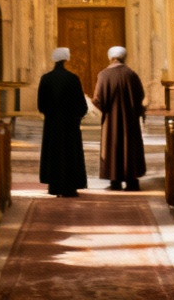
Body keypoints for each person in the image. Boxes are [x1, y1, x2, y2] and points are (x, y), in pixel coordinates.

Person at [92, 45, 147, 191]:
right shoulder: (131, 74)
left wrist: (106, 110)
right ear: (124, 57)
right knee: (130, 147)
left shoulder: (103, 75)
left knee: (112, 147)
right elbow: (140, 95)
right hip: (130, 120)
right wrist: (134, 110)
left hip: (111, 121)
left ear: (110, 57)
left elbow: (97, 99)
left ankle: (115, 181)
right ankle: (132, 181)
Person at [37, 46, 90, 197]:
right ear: (66, 59)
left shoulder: (46, 78)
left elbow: (41, 105)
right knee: (70, 153)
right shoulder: (72, 79)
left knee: (53, 152)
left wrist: (51, 114)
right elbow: (81, 105)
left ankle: (54, 186)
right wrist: (77, 116)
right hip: (70, 125)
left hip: (52, 124)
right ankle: (69, 187)